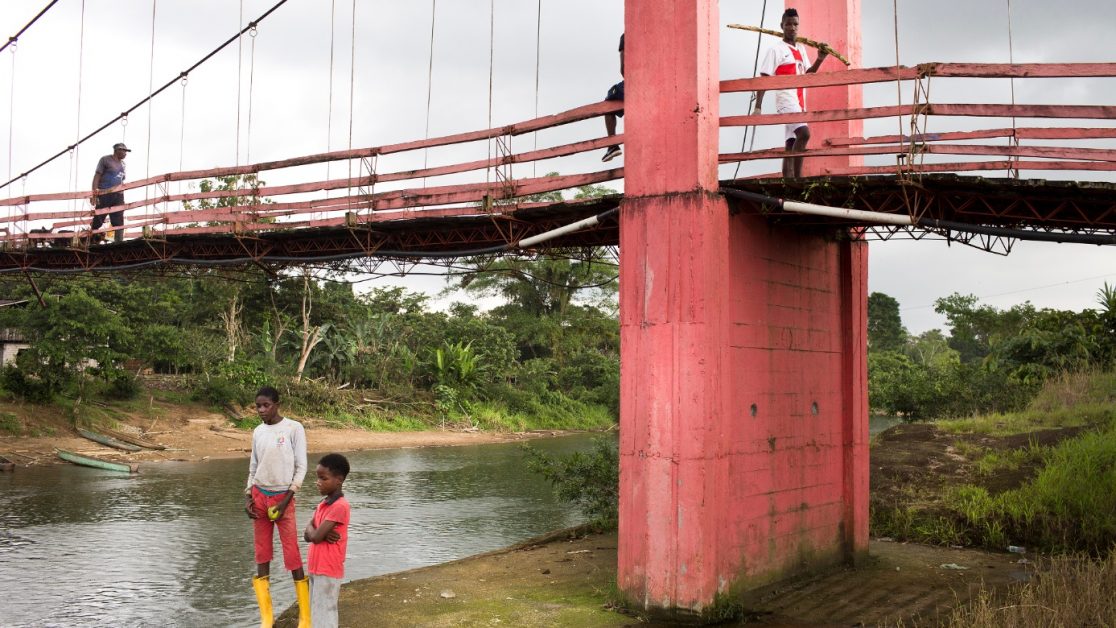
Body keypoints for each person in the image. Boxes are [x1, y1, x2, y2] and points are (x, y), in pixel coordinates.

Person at [245, 386, 311, 628]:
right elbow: (253, 467)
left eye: (266, 405)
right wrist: (248, 496)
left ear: (277, 404)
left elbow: (301, 467)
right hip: (259, 496)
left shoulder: (294, 428)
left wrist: (286, 500)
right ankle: (266, 618)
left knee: (292, 553)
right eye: (258, 406)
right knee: (261, 554)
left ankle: (305, 616)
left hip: (284, 498)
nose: (262, 410)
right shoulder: (257, 432)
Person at [753, 8, 831, 178]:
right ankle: (798, 178)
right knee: (804, 133)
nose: (792, 28)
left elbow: (808, 74)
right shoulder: (776, 50)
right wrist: (758, 107)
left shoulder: (801, 49)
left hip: (800, 99)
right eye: (788, 24)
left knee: (791, 142)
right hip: (786, 99)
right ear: (782, 26)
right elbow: (764, 78)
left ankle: (787, 179)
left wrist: (820, 58)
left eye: (795, 24)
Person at [304, 453, 351, 628]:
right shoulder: (323, 504)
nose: (318, 482)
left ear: (338, 480)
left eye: (323, 478)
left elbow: (314, 537)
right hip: (316, 566)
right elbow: (307, 532)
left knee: (326, 613)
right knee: (316, 612)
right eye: (318, 478)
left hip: (328, 568)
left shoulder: (340, 506)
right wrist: (315, 529)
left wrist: (315, 531)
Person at [89, 142, 130, 243]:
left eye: (126, 151)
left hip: (118, 195)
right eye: (124, 151)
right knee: (98, 218)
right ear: (117, 150)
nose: (125, 153)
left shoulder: (123, 164)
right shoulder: (105, 160)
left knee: (118, 220)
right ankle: (91, 240)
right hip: (104, 193)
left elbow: (121, 179)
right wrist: (94, 194)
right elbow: (97, 176)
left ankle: (118, 242)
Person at [602, 33, 625, 162]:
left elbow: (624, 68)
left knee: (608, 104)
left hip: (636, 82)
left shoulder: (626, 36)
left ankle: (612, 145)